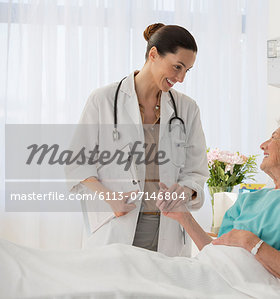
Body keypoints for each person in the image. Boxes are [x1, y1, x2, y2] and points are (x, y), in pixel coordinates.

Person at [65, 23, 208, 257]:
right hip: (118, 223)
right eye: (177, 67)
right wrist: (111, 198)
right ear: (153, 55)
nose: (181, 78)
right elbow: (77, 164)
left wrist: (184, 192)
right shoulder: (103, 100)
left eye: (187, 70)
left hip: (168, 229)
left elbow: (197, 172)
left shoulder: (187, 109)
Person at [158, 115, 280, 286]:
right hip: (207, 272)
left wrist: (250, 241)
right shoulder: (250, 198)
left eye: (274, 138)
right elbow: (216, 251)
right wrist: (184, 217)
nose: (262, 145)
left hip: (235, 282)